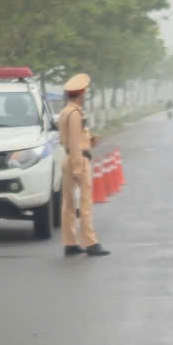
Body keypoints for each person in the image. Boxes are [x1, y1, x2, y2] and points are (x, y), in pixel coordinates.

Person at [59, 71, 110, 255]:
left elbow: (76, 138)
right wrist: (79, 167)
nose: (86, 96)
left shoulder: (67, 111)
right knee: (85, 203)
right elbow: (73, 140)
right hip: (77, 159)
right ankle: (91, 243)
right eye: (85, 93)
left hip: (70, 158)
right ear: (81, 94)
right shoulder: (74, 114)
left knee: (69, 204)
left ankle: (70, 243)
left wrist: (90, 140)